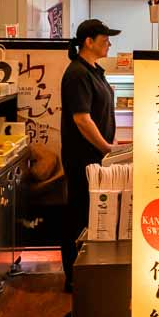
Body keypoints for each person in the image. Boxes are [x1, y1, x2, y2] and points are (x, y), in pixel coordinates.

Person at [60, 19, 120, 292]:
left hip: (96, 156)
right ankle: (73, 276)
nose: (109, 43)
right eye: (105, 38)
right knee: (78, 212)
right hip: (82, 158)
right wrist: (107, 148)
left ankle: (86, 272)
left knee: (89, 213)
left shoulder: (95, 71)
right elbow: (82, 119)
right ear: (89, 41)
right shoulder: (77, 74)